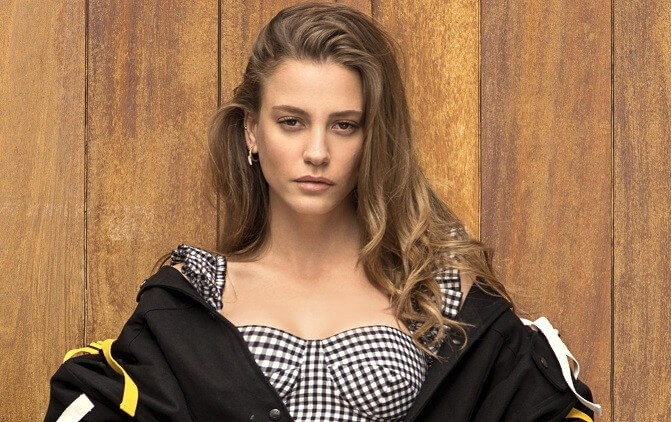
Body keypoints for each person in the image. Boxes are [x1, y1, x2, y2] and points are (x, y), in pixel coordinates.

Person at [45, 2, 601, 421]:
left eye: (344, 125)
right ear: (252, 130)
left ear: (373, 137)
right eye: (291, 122)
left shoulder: (441, 299)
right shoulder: (193, 295)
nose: (317, 151)